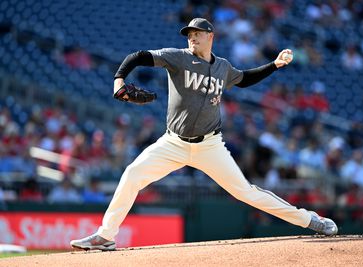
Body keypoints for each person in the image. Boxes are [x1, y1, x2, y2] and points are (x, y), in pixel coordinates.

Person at [71, 18, 337, 251]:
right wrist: (119, 79)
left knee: (247, 192)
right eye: (189, 35)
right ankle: (106, 236)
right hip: (173, 142)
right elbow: (139, 56)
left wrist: (274, 65)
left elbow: (244, 79)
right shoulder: (178, 57)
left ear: (211, 36)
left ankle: (309, 219)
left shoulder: (222, 66)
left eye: (196, 33)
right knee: (132, 175)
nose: (192, 38)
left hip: (210, 146)